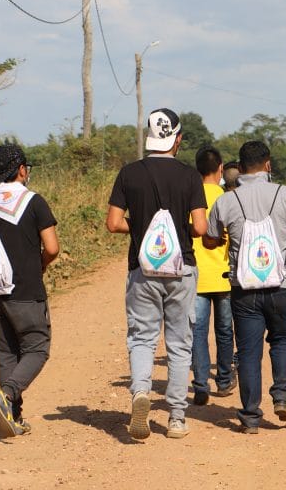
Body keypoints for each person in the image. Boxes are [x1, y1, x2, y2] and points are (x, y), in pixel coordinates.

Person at [106, 108, 207, 439]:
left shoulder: (129, 173)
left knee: (142, 337)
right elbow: (200, 227)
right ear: (176, 139)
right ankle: (176, 418)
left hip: (142, 268)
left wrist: (143, 231)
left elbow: (113, 223)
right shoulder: (190, 176)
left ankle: (139, 393)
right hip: (182, 269)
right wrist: (177, 229)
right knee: (179, 343)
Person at [204, 140, 286, 434]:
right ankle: (281, 397)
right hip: (282, 286)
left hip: (244, 289)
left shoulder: (226, 200)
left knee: (249, 350)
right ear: (268, 165)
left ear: (240, 169)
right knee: (282, 339)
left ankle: (251, 417)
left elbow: (210, 239)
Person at [0, 143, 60, 438]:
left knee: (7, 353)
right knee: (37, 348)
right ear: (21, 169)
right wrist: (41, 264)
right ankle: (7, 396)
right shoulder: (33, 202)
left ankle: (13, 418)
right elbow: (53, 247)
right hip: (26, 290)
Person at [190, 146, 236, 406]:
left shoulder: (190, 196)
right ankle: (224, 380)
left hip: (197, 276)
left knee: (197, 332)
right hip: (224, 275)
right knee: (224, 331)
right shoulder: (227, 197)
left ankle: (200, 385)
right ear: (220, 168)